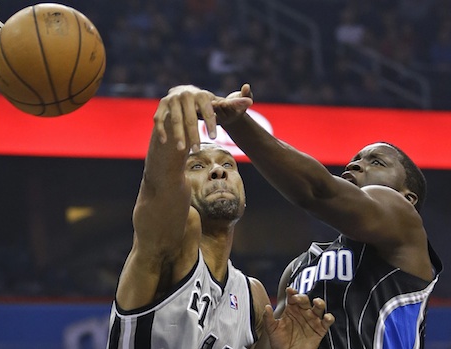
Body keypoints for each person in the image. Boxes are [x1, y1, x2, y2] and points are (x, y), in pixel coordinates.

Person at [153, 84, 443, 349]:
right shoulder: (301, 266)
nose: (354, 165)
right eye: (354, 160)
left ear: (409, 199)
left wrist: (238, 123)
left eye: (376, 162)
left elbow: (318, 192)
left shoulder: (406, 231)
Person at [105, 88, 334, 349]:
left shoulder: (253, 296)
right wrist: (176, 105)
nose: (217, 171)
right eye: (198, 166)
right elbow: (158, 188)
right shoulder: (169, 244)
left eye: (227, 165)